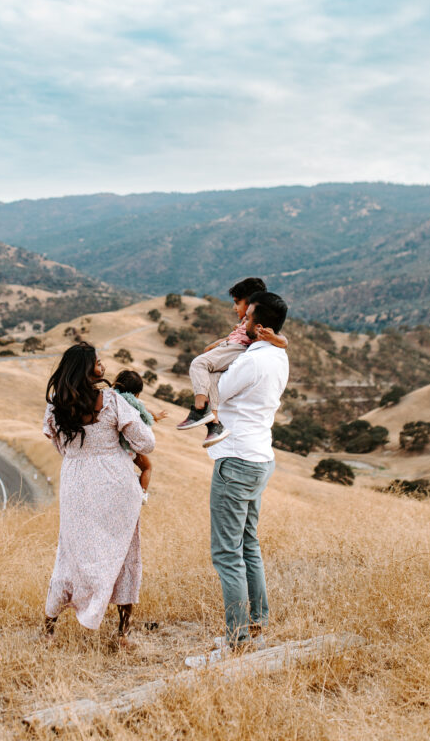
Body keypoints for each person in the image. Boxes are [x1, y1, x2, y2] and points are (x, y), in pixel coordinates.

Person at [42, 343, 155, 644]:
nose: (103, 366)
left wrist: (81, 457)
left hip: (76, 482)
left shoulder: (56, 406)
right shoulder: (112, 401)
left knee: (69, 553)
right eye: (98, 362)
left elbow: (59, 446)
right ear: (88, 368)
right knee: (124, 552)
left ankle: (48, 629)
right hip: (115, 483)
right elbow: (146, 444)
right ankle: (123, 632)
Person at [206, 290, 289, 658]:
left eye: (247, 318)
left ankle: (237, 640)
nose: (242, 322)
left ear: (260, 325)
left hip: (236, 460)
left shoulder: (251, 361)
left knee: (226, 553)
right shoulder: (279, 356)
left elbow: (216, 394)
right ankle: (258, 622)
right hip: (260, 458)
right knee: (248, 544)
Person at [177, 277, 288, 447]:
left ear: (250, 303)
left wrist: (273, 337)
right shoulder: (245, 323)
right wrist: (216, 345)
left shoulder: (258, 327)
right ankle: (215, 426)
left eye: (237, 302)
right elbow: (232, 338)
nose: (234, 307)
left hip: (235, 349)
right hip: (231, 345)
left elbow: (283, 341)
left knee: (198, 364)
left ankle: (200, 409)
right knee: (212, 378)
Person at [112, 369, 168, 501]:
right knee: (147, 467)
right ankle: (142, 493)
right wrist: (156, 416)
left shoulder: (111, 397)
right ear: (137, 393)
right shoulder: (135, 404)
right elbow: (146, 412)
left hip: (113, 445)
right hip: (129, 448)